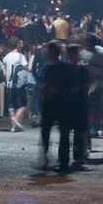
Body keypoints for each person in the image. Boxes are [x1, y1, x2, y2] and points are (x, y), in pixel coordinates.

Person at [36, 42, 82, 173]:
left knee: (62, 133)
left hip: (61, 103)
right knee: (48, 131)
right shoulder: (51, 67)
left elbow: (72, 86)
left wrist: (57, 90)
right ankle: (51, 159)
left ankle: (63, 161)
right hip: (52, 103)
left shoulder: (62, 68)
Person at [2, 39, 31, 132]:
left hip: (9, 83)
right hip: (20, 84)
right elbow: (25, 68)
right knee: (23, 104)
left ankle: (13, 127)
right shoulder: (21, 56)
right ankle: (17, 119)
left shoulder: (6, 57)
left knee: (11, 105)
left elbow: (4, 73)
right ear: (17, 45)